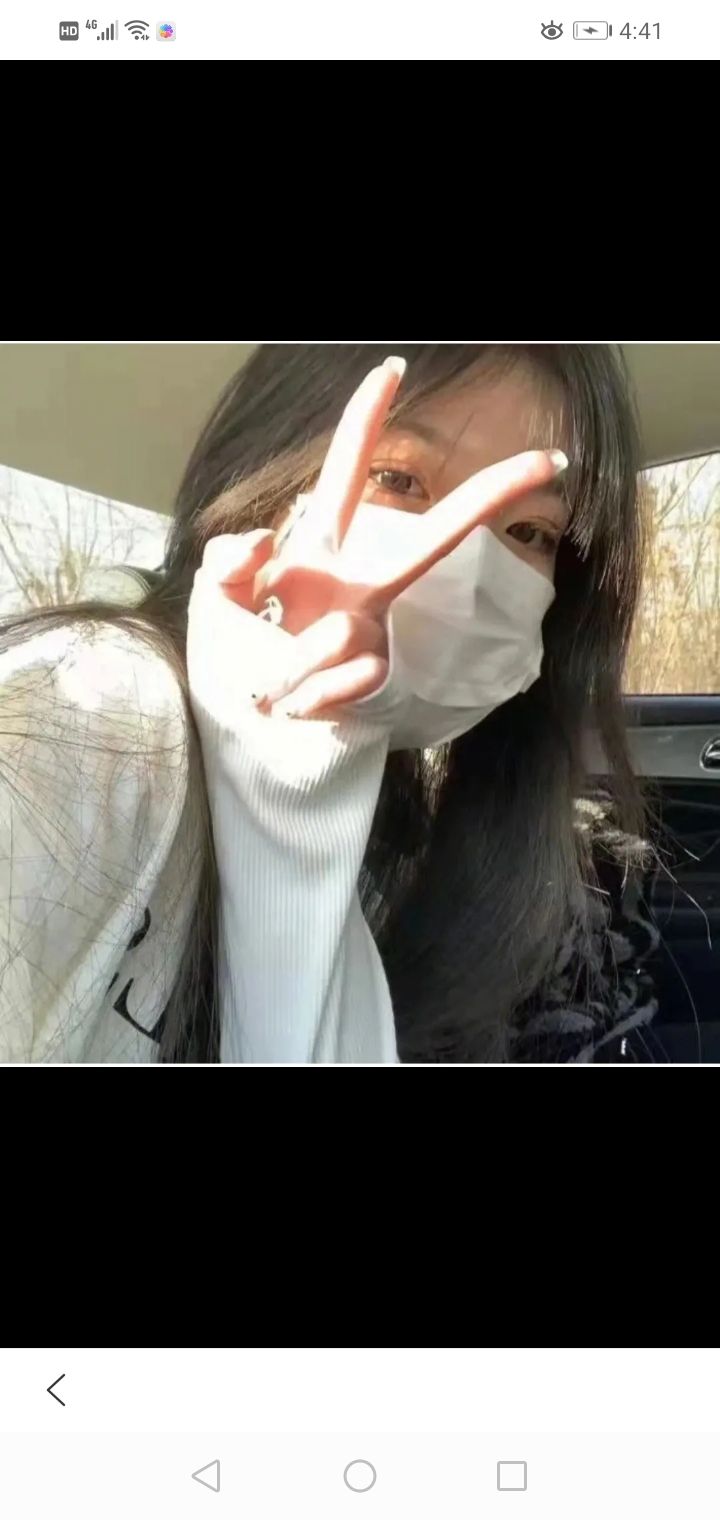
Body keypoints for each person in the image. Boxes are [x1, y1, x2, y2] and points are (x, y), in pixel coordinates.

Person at [0, 344, 660, 1065]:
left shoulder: (408, 832)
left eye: (530, 532)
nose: (463, 564)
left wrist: (303, 779)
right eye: (398, 478)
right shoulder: (102, 701)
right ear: (260, 476)